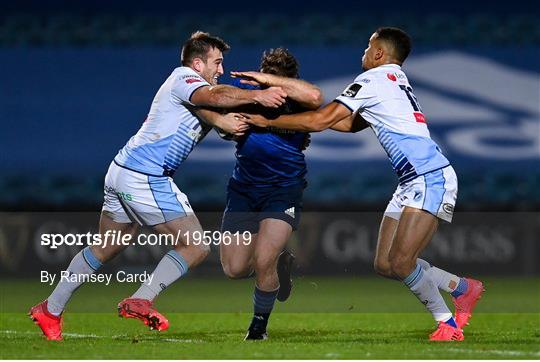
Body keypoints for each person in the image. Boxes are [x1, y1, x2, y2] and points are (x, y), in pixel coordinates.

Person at [29, 31, 288, 341]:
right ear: (197, 63)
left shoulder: (191, 91)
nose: (220, 69)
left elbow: (211, 109)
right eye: (217, 63)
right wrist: (257, 96)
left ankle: (50, 309)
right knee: (196, 245)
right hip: (144, 176)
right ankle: (142, 298)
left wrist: (226, 122)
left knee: (106, 246)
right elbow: (215, 98)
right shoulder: (183, 78)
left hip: (122, 170)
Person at [241, 27, 484, 341]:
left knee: (401, 262)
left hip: (430, 176)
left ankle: (448, 325)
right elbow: (347, 123)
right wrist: (302, 109)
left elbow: (321, 121)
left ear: (380, 53)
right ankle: (462, 288)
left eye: (368, 47)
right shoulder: (395, 80)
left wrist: (269, 122)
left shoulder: (374, 79)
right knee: (386, 264)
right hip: (411, 180)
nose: (364, 52)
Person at [219, 48, 323, 340]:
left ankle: (258, 328)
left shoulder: (300, 100)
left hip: (283, 190)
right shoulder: (248, 92)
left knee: (263, 260)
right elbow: (220, 107)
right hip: (243, 190)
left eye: (277, 78)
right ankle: (281, 263)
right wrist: (227, 126)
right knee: (235, 269)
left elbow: (316, 96)